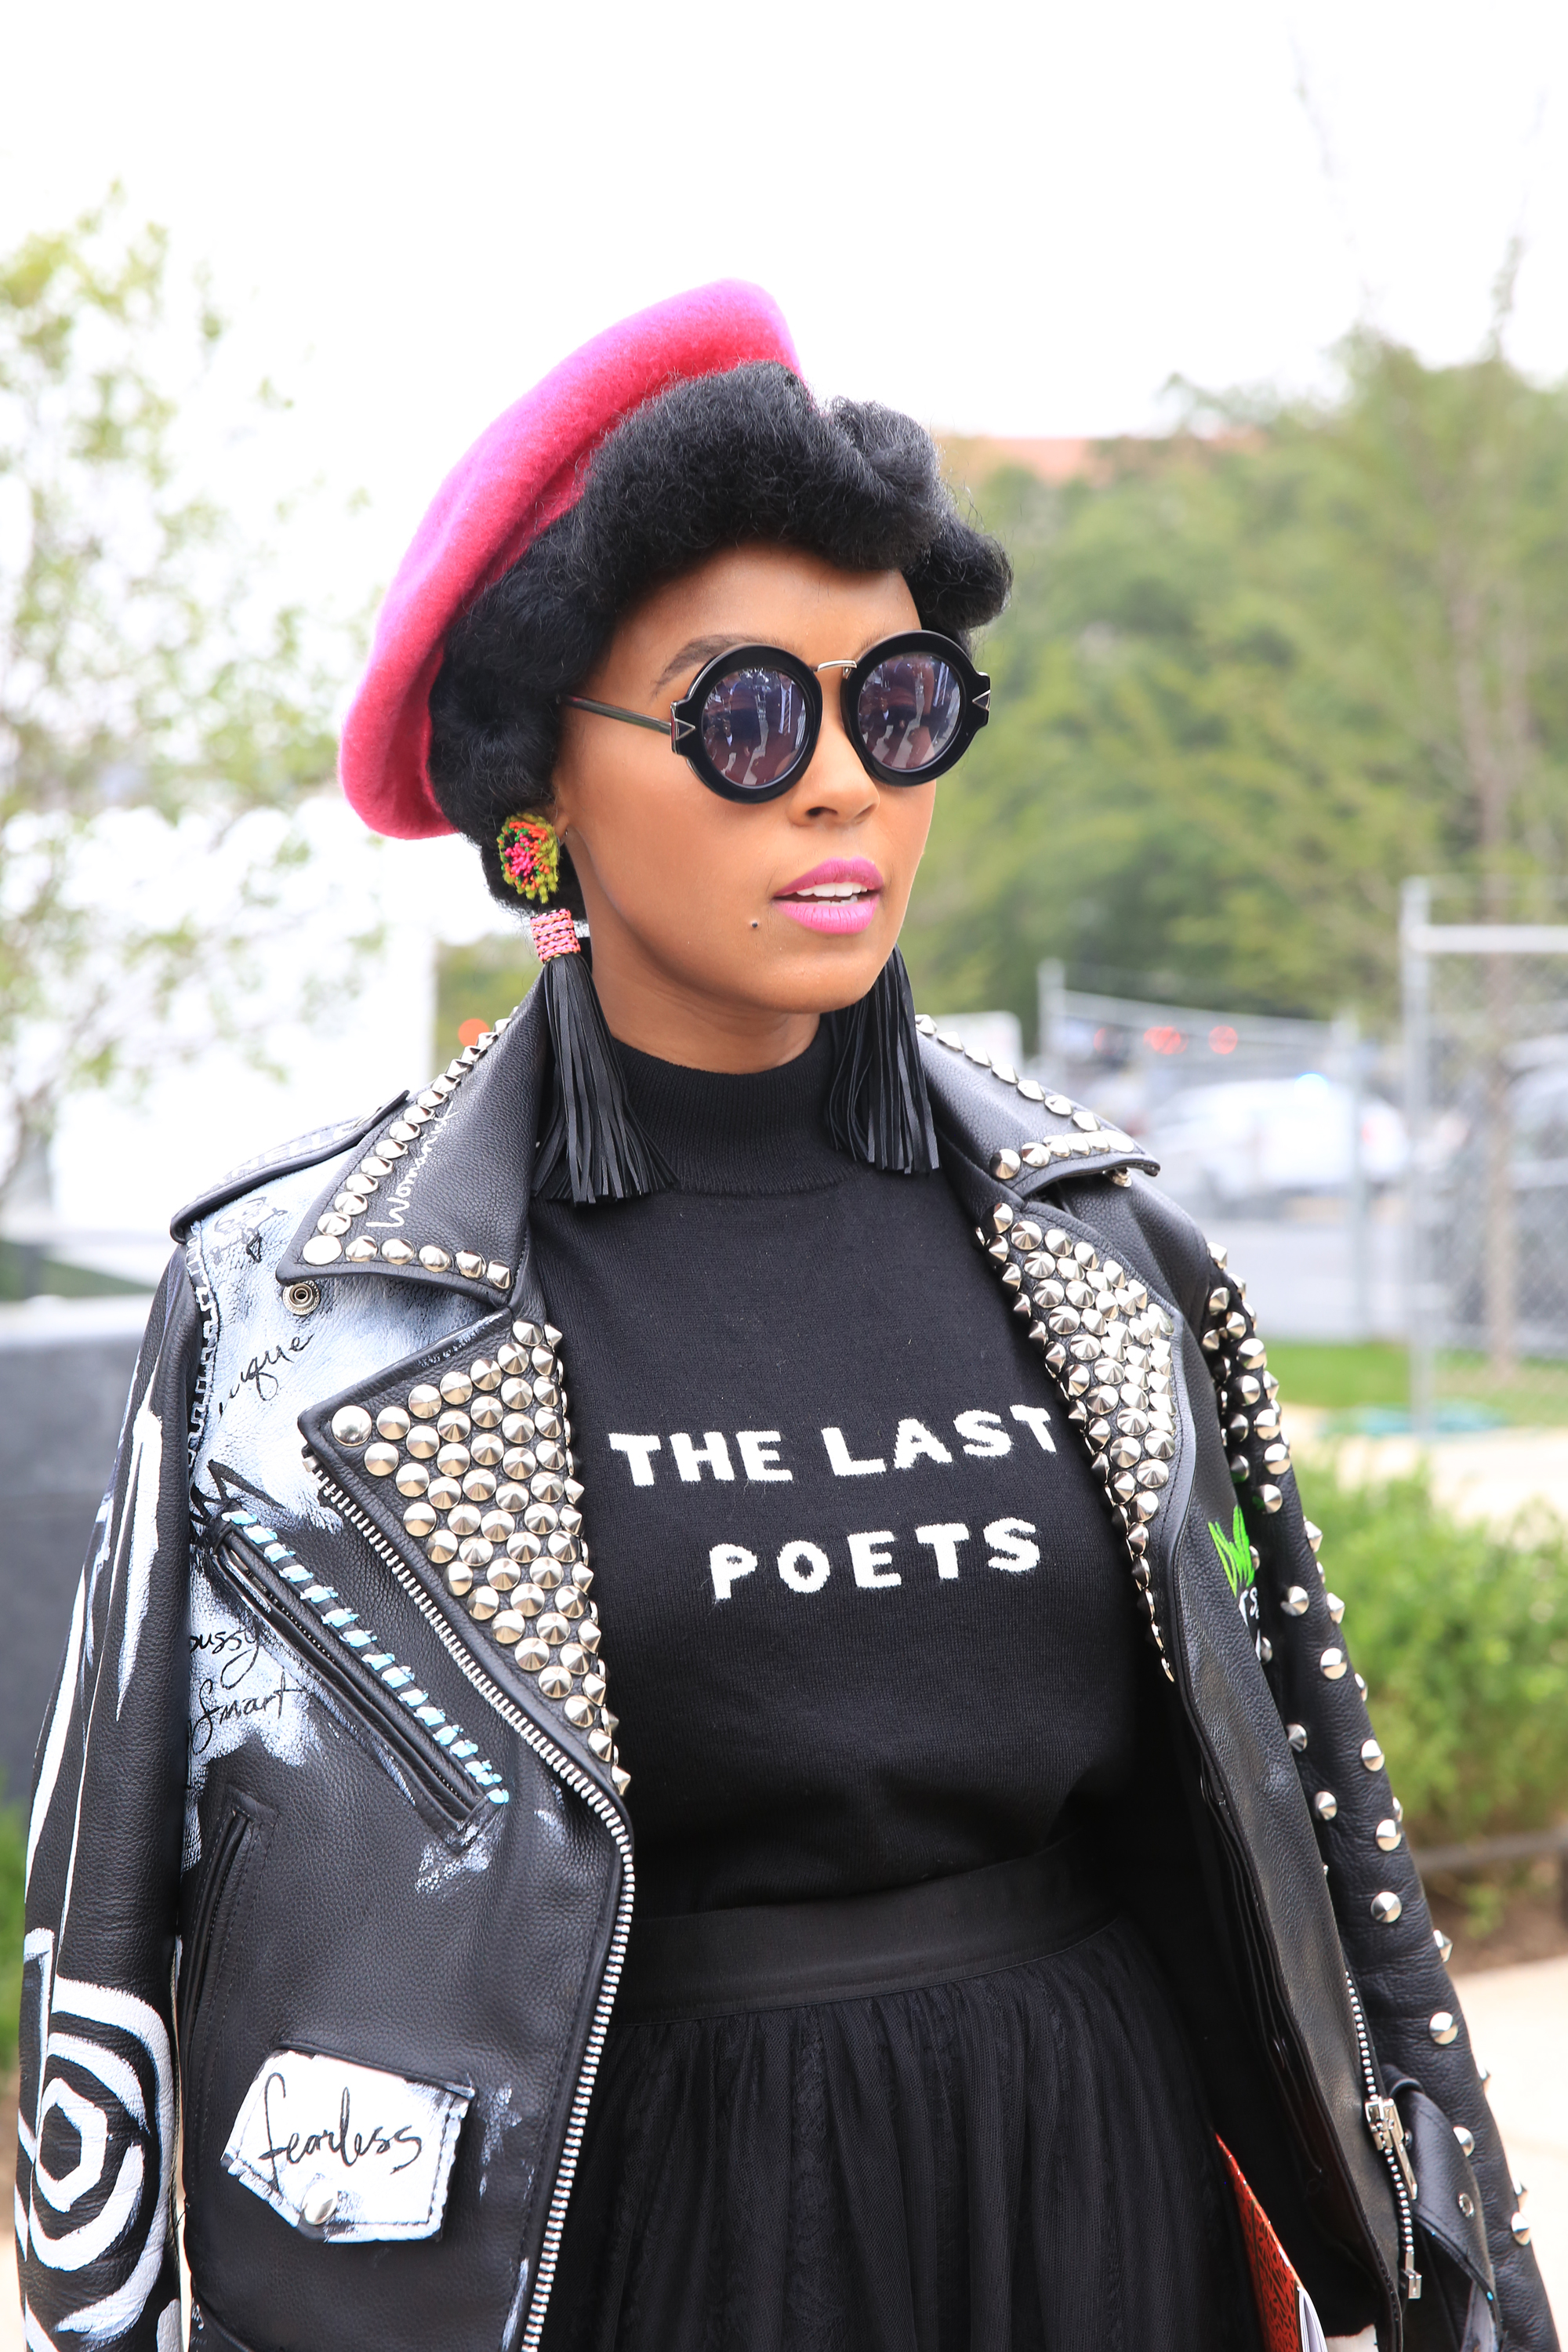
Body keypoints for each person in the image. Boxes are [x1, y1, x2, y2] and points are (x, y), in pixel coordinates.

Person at [17, 284, 1554, 2352]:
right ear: (536, 779)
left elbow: (1321, 1829)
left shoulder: (1108, 1247)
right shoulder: (301, 1314)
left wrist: (1472, 2289)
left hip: (1095, 2209)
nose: (839, 785)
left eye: (898, 706)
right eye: (747, 715)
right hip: (615, 2238)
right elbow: (104, 1935)